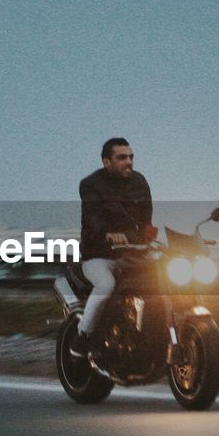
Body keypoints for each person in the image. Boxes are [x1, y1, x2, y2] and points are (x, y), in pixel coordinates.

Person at [70, 137, 153, 358]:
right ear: (107, 162)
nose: (129, 162)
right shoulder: (91, 185)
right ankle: (83, 336)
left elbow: (146, 221)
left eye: (131, 157)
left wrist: (149, 237)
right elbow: (93, 216)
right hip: (98, 255)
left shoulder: (139, 182)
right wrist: (107, 233)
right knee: (106, 285)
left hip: (132, 253)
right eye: (122, 157)